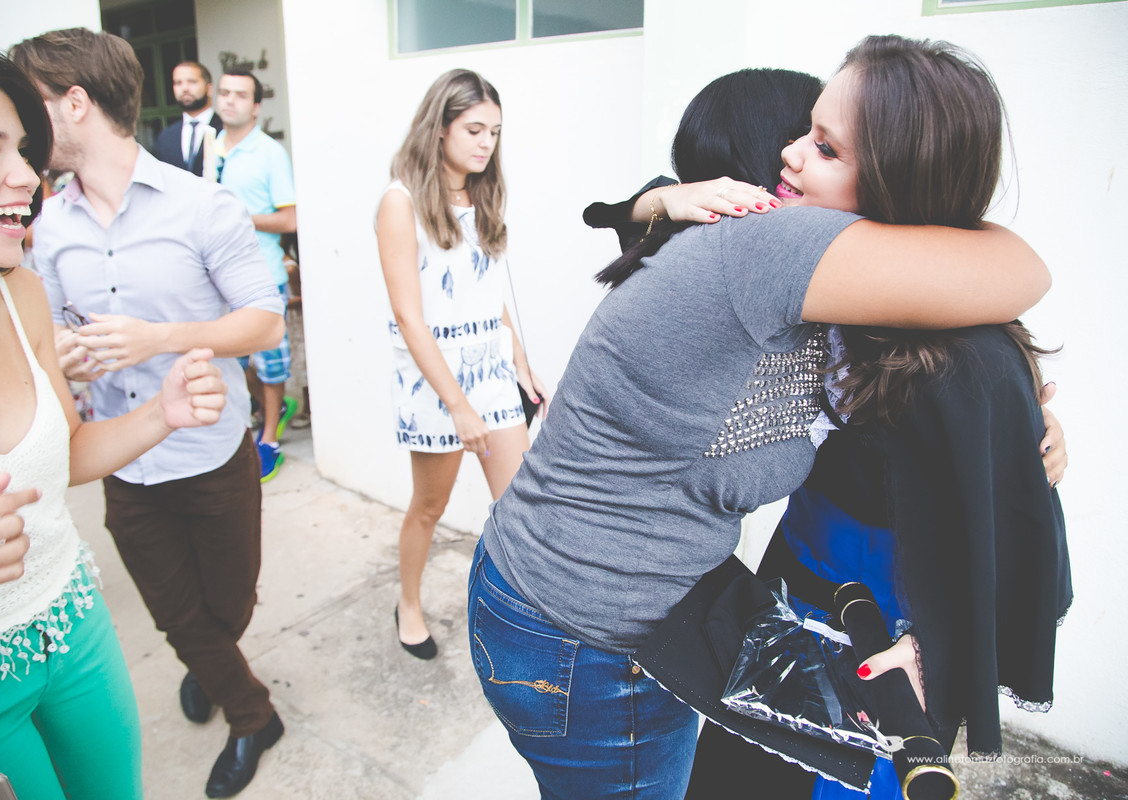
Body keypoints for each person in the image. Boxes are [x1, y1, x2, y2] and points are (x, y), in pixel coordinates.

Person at [467, 34, 1055, 799]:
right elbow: (1021, 271)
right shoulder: (765, 245)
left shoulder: (800, 298)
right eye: (802, 133)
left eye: (823, 143)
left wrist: (1018, 437)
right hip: (587, 640)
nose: (792, 155)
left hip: (541, 600)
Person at [0, 32, 228, 799]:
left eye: (25, 150)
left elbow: (60, 460)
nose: (25, 177)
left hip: (75, 631)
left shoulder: (17, 288)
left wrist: (162, 414)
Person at [10, 28, 287, 798]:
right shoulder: (50, 224)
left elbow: (265, 321)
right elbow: (56, 328)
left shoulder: (204, 206)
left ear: (74, 102)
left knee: (223, 607)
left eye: (29, 104)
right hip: (123, 462)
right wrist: (59, 351)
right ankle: (251, 714)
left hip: (210, 454)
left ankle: (212, 659)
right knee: (172, 610)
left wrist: (160, 338)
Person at [376, 69, 548, 660]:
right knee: (430, 505)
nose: (485, 143)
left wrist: (522, 367)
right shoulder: (400, 204)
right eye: (474, 129)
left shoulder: (483, 196)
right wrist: (458, 407)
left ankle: (523, 619)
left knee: (521, 505)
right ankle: (409, 603)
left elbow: (491, 294)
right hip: (435, 383)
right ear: (440, 125)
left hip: (493, 374)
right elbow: (409, 316)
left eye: (494, 132)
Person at [215, 67, 299, 482]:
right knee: (231, 359)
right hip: (217, 277)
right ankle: (267, 411)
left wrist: (240, 217)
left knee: (270, 364)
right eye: (225, 92)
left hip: (262, 277)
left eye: (240, 95)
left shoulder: (268, 153)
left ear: (256, 106)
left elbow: (290, 221)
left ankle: (269, 439)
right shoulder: (209, 148)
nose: (230, 100)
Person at [153, 61, 222, 176]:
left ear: (209, 89)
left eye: (192, 82)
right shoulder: (165, 137)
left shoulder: (225, 130)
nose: (184, 88)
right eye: (178, 83)